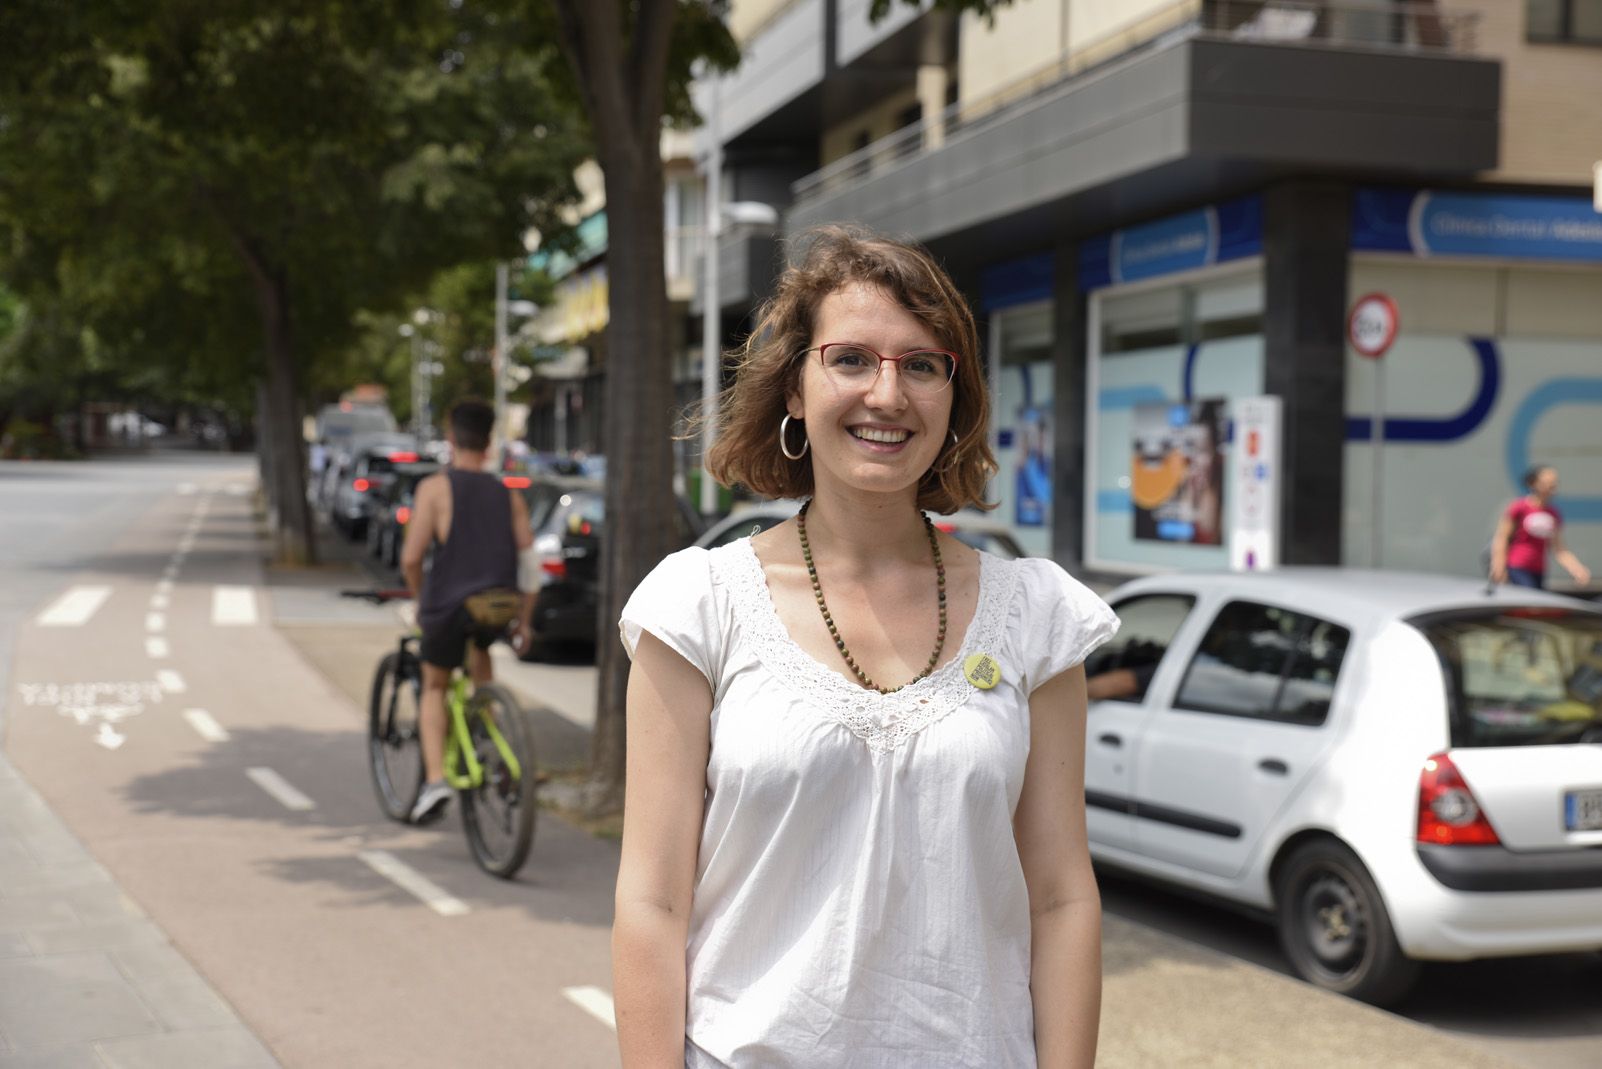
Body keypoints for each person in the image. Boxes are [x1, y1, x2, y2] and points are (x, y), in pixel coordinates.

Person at [613, 225, 1118, 1068]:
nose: (887, 393)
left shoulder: (1036, 616)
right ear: (794, 389)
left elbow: (1062, 898)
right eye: (850, 359)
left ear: (954, 398)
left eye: (921, 365)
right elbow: (652, 900)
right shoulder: (700, 604)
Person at [399, 399, 533, 823]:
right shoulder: (507, 494)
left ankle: (435, 780)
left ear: (450, 438)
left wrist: (421, 600)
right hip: (498, 606)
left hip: (450, 606)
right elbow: (530, 562)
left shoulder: (435, 489)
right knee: (481, 658)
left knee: (434, 685)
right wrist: (526, 620)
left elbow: (411, 558)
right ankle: (489, 742)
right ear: (489, 441)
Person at [1489, 464, 1591, 591]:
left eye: (1555, 483)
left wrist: (1577, 569)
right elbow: (1502, 537)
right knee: (1528, 599)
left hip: (1539, 569)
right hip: (1517, 566)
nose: (1552, 486)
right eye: (1547, 482)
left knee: (1537, 599)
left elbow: (1560, 549)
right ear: (1533, 483)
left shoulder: (1553, 514)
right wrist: (1498, 565)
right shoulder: (1519, 507)